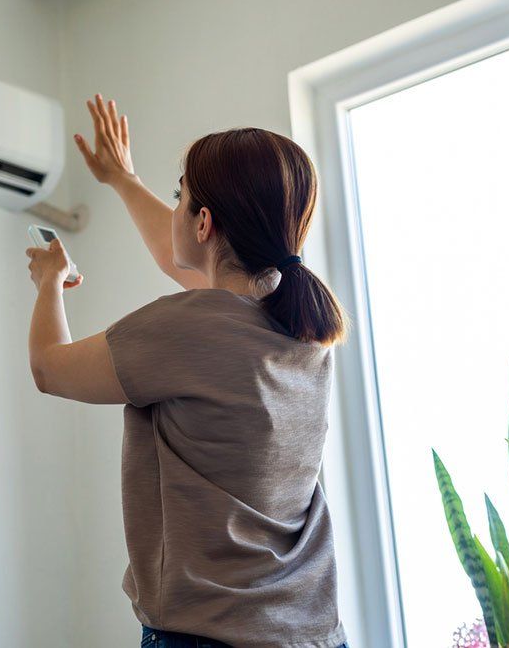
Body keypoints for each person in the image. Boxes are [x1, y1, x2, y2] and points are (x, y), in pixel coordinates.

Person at [24, 93, 352, 648]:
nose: (175, 208)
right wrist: (122, 179)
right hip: (312, 634)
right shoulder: (302, 328)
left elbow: (49, 369)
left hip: (207, 638)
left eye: (181, 197)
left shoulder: (182, 329)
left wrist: (49, 282)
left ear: (204, 223)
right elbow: (178, 256)